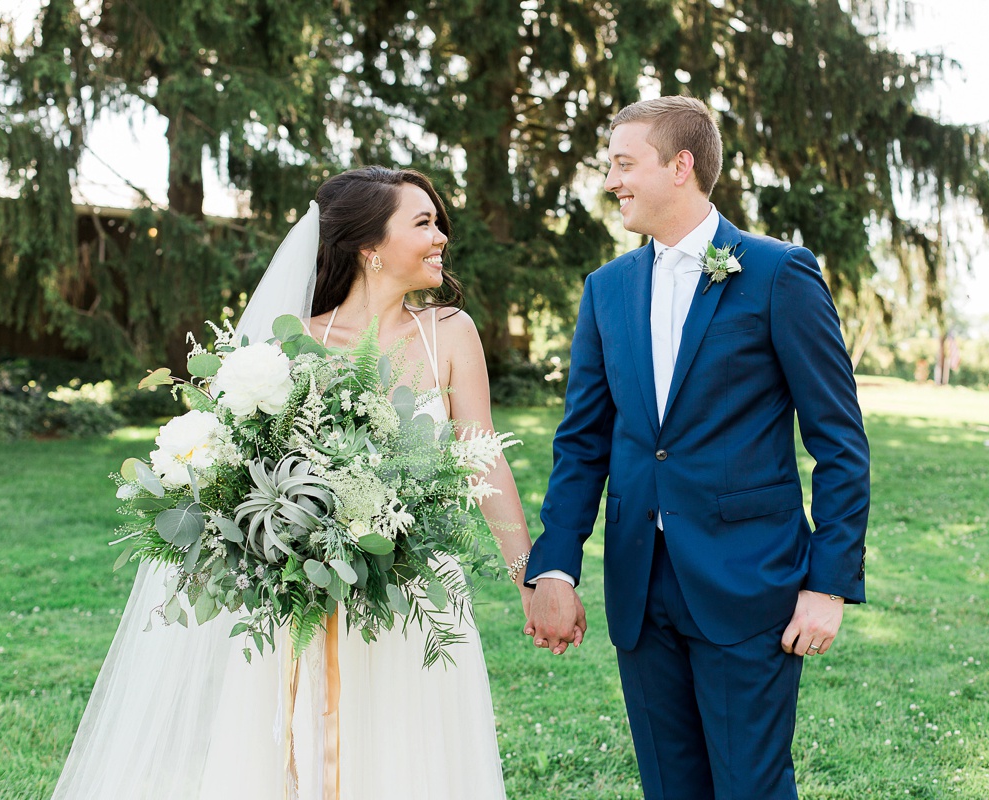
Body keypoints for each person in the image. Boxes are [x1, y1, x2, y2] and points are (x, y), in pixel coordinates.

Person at [52, 167, 533, 800]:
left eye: (437, 221)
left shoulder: (449, 332)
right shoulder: (291, 341)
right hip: (304, 596)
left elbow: (485, 458)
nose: (441, 235)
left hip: (418, 594)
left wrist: (531, 575)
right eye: (423, 223)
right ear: (370, 247)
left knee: (415, 758)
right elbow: (238, 466)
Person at [524, 97, 870, 799]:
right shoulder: (606, 289)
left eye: (624, 163)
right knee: (669, 787)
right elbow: (584, 441)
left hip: (749, 583)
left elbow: (839, 441)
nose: (612, 180)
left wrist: (828, 583)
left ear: (680, 166)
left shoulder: (779, 274)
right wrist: (555, 566)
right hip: (639, 585)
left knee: (750, 787)